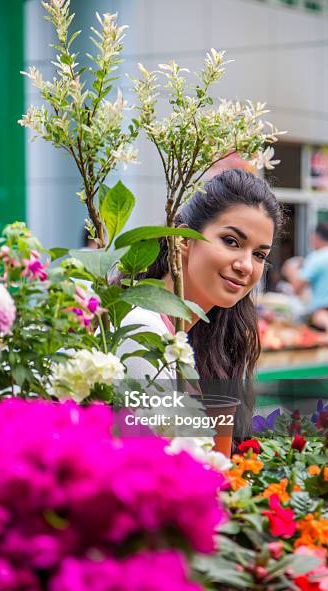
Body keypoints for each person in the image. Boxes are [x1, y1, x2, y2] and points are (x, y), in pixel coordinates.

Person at [117, 169, 283, 439]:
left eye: (259, 254)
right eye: (231, 241)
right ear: (183, 239)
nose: (245, 265)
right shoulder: (140, 330)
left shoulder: (210, 336)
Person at [282, 222, 328, 336]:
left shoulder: (317, 257)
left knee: (313, 316)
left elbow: (297, 288)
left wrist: (290, 269)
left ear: (315, 237)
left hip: (326, 314)